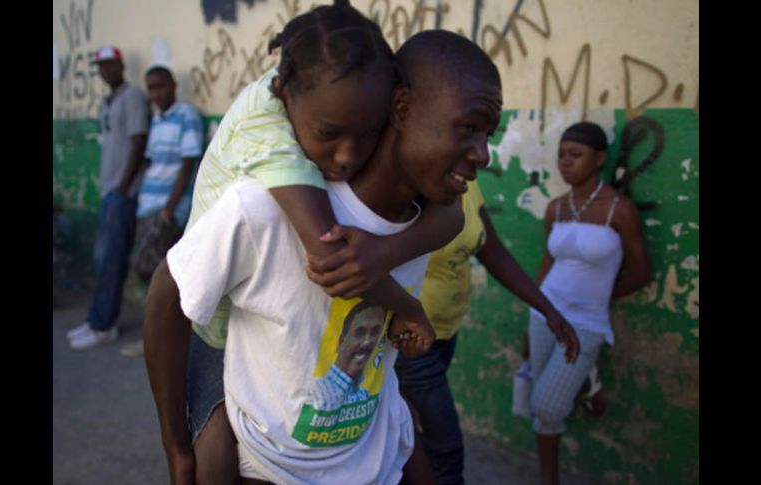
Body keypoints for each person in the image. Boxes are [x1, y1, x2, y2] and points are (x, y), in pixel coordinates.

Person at [144, 28, 507, 484]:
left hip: (365, 448)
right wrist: (176, 447)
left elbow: (450, 220)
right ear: (402, 109)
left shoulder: (427, 213)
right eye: (468, 128)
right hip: (243, 395)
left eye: (488, 134)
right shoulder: (268, 195)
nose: (485, 154)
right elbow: (171, 292)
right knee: (210, 453)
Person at [330, 176, 576, 485]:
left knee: (413, 437)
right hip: (408, 339)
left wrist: (547, 309)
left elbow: (493, 251)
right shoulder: (402, 188)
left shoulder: (466, 184)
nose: (482, 155)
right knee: (445, 449)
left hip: (445, 333)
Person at [529, 121, 650, 485]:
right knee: (543, 405)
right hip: (545, 314)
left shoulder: (620, 210)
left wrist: (596, 296)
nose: (566, 162)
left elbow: (641, 272)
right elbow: (547, 265)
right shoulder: (556, 208)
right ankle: (549, 479)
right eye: (562, 154)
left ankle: (587, 379)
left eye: (575, 155)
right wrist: (531, 312)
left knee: (545, 406)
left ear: (599, 159)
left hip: (585, 321)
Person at [68, 45, 150, 350]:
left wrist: (122, 186)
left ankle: (103, 325)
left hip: (123, 193)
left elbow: (138, 141)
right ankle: (97, 320)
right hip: (110, 191)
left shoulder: (132, 98)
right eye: (100, 67)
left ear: (120, 65)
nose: (105, 71)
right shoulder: (108, 101)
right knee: (103, 260)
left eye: (109, 65)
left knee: (111, 260)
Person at [120, 65, 204, 358]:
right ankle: (161, 336)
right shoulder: (156, 119)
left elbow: (188, 163)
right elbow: (152, 163)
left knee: (156, 271)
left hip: (167, 208)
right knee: (153, 274)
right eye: (152, 88)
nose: (157, 93)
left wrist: (170, 208)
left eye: (161, 87)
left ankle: (170, 337)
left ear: (173, 86)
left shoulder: (186, 116)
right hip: (148, 203)